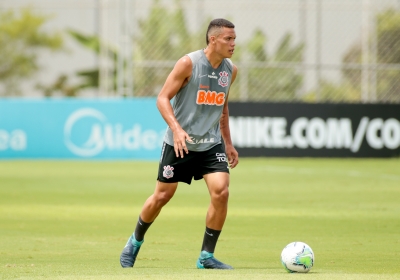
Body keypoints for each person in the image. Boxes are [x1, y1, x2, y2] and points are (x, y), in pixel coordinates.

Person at [120, 18, 239, 270]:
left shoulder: (231, 71)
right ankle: (135, 241)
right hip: (179, 143)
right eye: (228, 39)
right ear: (213, 39)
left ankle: (206, 257)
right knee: (162, 196)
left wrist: (228, 143)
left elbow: (223, 109)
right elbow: (162, 98)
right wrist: (176, 129)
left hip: (210, 144)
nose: (233, 44)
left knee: (222, 191)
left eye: (234, 39)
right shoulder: (189, 63)